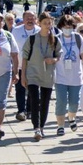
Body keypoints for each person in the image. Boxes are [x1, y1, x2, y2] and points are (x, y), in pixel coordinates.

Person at [21, 12, 61, 141]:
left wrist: (53, 60)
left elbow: (59, 56)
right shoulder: (32, 39)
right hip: (33, 74)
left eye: (49, 23)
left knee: (45, 102)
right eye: (45, 23)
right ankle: (36, 128)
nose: (48, 26)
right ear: (39, 23)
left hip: (48, 75)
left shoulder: (55, 39)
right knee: (34, 100)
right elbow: (25, 58)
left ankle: (42, 127)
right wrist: (23, 76)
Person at [54, 14, 83, 135]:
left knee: (74, 102)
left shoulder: (77, 38)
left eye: (69, 26)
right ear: (61, 26)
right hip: (61, 76)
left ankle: (71, 118)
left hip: (76, 76)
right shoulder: (56, 38)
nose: (67, 28)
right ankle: (60, 126)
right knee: (61, 101)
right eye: (65, 26)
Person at [11, 11, 40, 121]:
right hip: (20, 65)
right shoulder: (16, 31)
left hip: (35, 66)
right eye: (28, 18)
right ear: (23, 19)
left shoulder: (39, 30)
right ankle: (21, 110)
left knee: (33, 89)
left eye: (32, 18)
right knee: (20, 89)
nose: (30, 20)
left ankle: (30, 110)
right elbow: (13, 48)